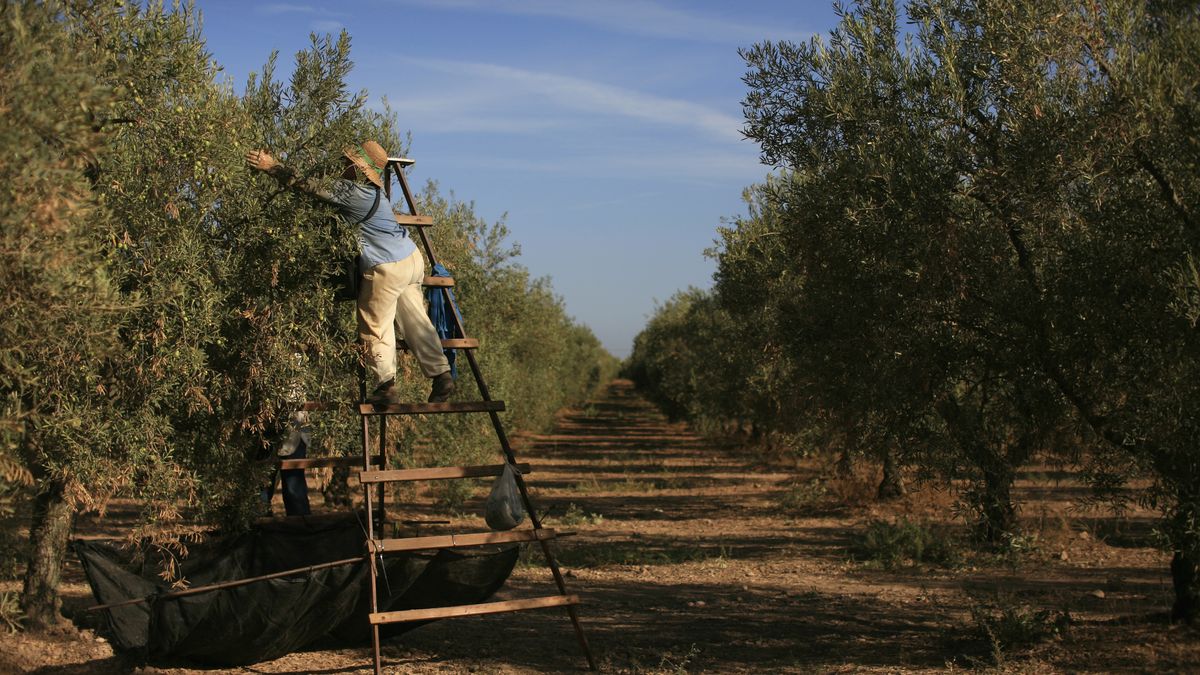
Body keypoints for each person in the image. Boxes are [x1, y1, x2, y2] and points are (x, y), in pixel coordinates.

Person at [245, 141, 455, 405]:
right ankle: (441, 374)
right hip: (411, 259)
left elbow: (307, 186)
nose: (342, 166)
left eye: (347, 163)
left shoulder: (352, 191)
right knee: (416, 321)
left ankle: (385, 386)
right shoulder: (378, 196)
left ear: (357, 169)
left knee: (375, 324)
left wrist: (272, 166)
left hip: (386, 265)